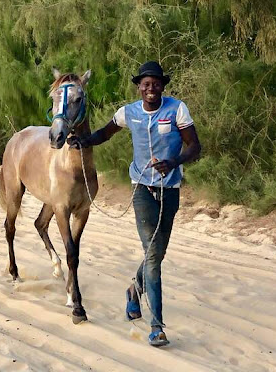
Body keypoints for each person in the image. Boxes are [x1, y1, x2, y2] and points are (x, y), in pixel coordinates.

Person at [68, 61, 201, 347]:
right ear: (139, 87)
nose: (150, 88)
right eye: (145, 84)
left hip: (170, 189)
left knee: (158, 252)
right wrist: (84, 141)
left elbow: (194, 147)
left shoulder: (177, 109)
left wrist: (174, 162)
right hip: (141, 187)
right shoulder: (129, 112)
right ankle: (157, 326)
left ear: (163, 86)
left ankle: (133, 289)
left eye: (155, 84)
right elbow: (105, 132)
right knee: (152, 254)